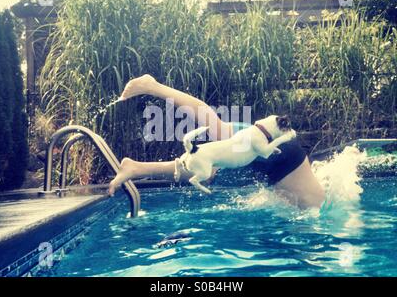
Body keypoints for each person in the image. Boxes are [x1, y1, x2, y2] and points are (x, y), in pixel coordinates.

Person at [109, 74, 325, 209]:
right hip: (284, 157)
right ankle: (151, 86)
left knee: (207, 168)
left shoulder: (318, 199)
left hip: (279, 167)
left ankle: (136, 168)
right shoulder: (322, 208)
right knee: (217, 132)